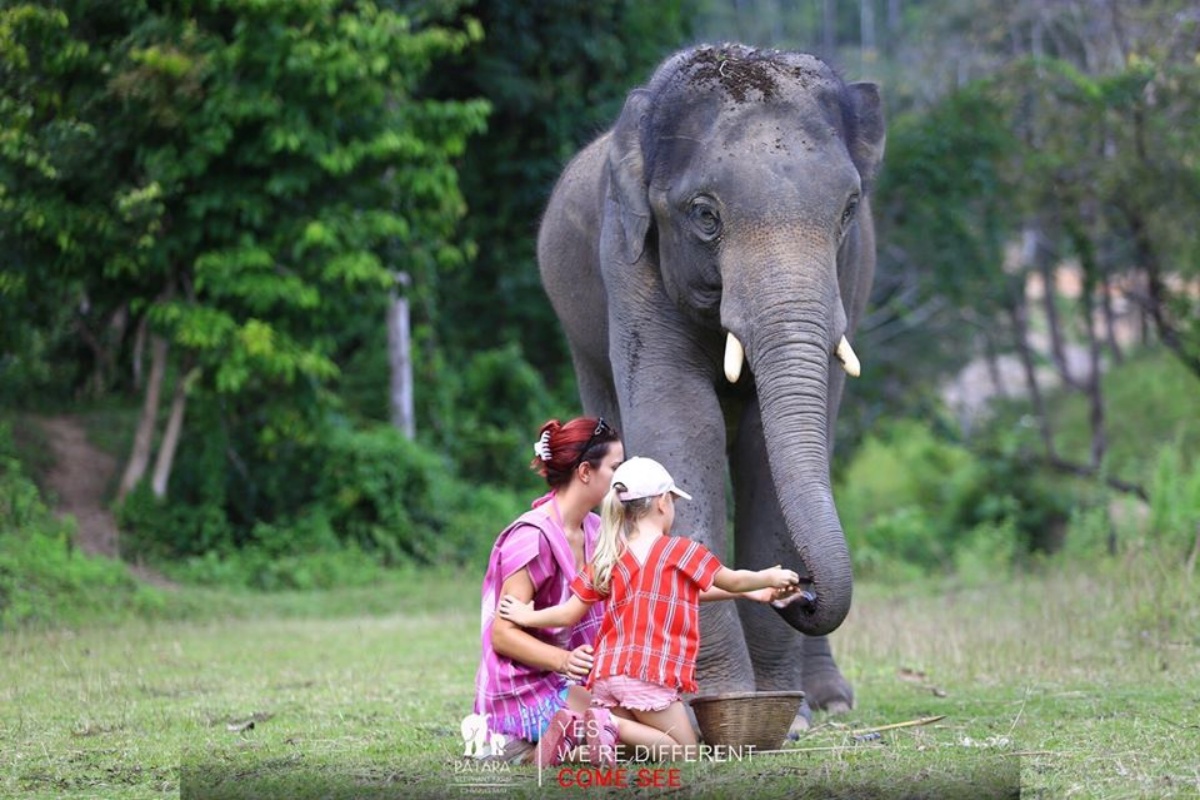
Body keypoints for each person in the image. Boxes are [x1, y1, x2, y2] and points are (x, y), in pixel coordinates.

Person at [498, 456, 800, 765]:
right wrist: (768, 577)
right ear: (662, 502)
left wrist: (527, 616)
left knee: (634, 747)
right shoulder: (681, 551)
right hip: (646, 673)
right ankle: (607, 723)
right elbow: (734, 580)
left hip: (606, 674)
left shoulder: (610, 557)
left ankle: (571, 746)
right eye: (672, 500)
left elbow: (567, 613)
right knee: (686, 753)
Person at [474, 416, 634, 764]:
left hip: (570, 680)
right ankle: (529, 750)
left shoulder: (597, 530)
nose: (621, 481)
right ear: (585, 472)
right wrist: (565, 660)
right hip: (527, 687)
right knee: (644, 733)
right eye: (615, 468)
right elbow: (503, 635)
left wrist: (747, 587)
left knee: (640, 715)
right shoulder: (531, 537)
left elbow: (643, 584)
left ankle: (560, 745)